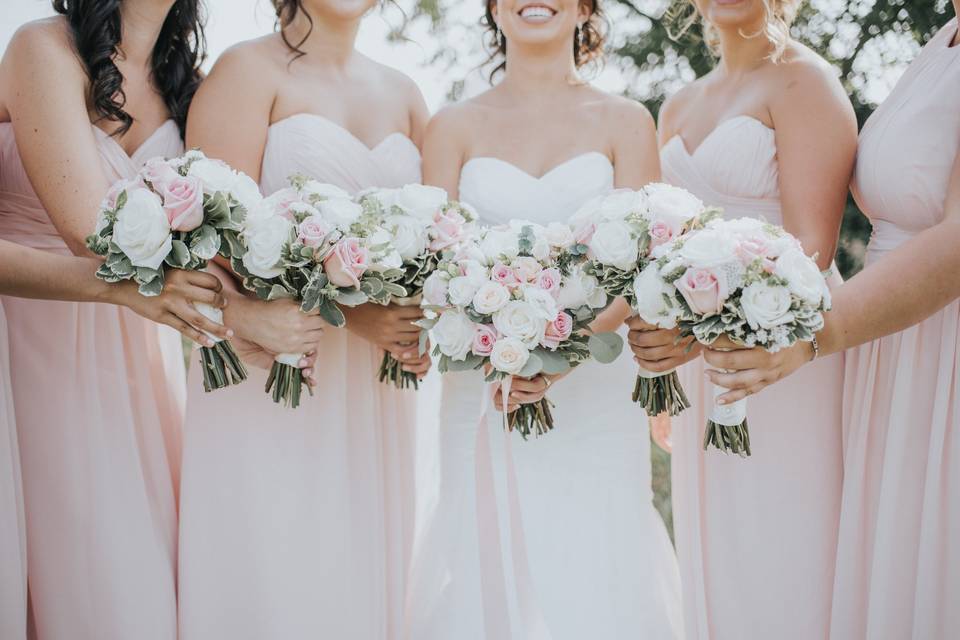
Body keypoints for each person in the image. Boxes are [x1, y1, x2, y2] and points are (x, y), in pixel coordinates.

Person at [404, 2, 682, 638]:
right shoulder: (451, 126)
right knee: (485, 561)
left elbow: (645, 265)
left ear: (585, 7)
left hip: (595, 395)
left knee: (597, 565)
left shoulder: (626, 122)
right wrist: (493, 340)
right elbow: (435, 266)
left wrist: (564, 350)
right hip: (481, 388)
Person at [704, 5, 960, 637]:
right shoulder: (944, 39)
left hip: (939, 342)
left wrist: (814, 332)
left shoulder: (804, 80)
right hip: (894, 342)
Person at [177, 1, 430, 637]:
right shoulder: (245, 72)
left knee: (362, 579)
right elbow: (206, 244)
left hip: (375, 390)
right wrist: (354, 313)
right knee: (279, 576)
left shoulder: (405, 94)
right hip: (273, 371)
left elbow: (431, 240)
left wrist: (420, 316)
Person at [627, 1, 858, 637]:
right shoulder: (678, 105)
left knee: (785, 542)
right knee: (717, 550)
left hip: (782, 352)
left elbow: (811, 251)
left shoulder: (805, 83)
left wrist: (699, 332)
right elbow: (661, 244)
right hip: (701, 364)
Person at [0, 0, 211, 636]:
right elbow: (91, 234)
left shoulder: (187, 83)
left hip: (139, 368)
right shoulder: (43, 48)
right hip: (33, 353)